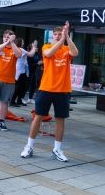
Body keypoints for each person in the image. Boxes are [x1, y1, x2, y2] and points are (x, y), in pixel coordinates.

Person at [21, 22, 78, 162]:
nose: (58, 36)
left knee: (60, 120)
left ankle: (57, 149)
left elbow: (75, 53)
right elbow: (49, 53)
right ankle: (29, 146)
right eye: (56, 34)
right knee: (38, 117)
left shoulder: (66, 49)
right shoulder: (46, 46)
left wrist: (68, 38)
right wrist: (61, 40)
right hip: (46, 88)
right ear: (52, 36)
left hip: (63, 90)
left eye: (60, 34)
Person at [10, 38, 37, 107]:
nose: (23, 43)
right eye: (22, 42)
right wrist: (34, 47)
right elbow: (31, 54)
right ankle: (12, 101)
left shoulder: (17, 49)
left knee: (22, 87)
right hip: (20, 71)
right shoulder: (21, 49)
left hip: (22, 71)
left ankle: (19, 100)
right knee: (18, 87)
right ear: (20, 43)